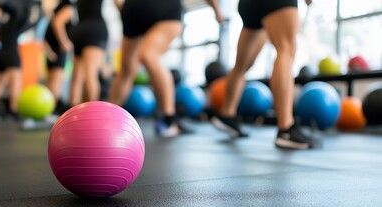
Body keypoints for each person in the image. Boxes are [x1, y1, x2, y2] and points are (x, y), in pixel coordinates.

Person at [211, 0, 319, 150]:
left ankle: (227, 115)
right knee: (286, 50)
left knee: (241, 65)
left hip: (249, 5)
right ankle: (286, 128)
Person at [108, 0, 224, 137]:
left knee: (149, 56)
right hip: (135, 11)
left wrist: (217, 10)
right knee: (127, 69)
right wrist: (217, 11)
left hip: (155, 8)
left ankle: (169, 119)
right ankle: (108, 118)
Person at [0, 0, 33, 122]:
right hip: (10, 53)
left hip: (0, 54)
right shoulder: (15, 18)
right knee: (16, 81)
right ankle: (13, 110)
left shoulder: (2, 25)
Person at [68, 0, 117, 107]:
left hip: (79, 28)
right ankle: (93, 114)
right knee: (91, 75)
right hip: (95, 28)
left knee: (77, 78)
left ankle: (71, 115)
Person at [43, 0, 74, 115]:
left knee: (51, 82)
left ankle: (46, 110)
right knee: (56, 82)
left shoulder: (56, 9)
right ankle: (50, 112)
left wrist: (48, 50)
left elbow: (48, 30)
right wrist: (64, 42)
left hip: (52, 50)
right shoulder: (68, 7)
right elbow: (57, 23)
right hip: (58, 49)